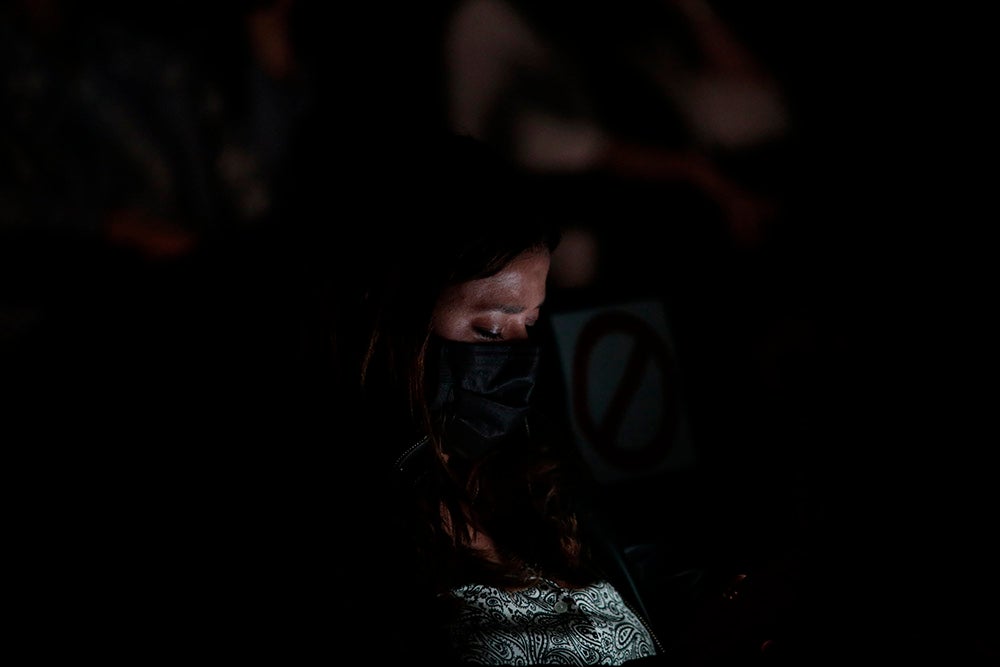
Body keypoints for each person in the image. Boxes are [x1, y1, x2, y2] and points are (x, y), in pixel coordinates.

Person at [333, 132, 666, 665]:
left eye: (530, 325)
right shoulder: (352, 523)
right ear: (394, 318)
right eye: (489, 329)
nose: (516, 355)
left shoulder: (541, 479)